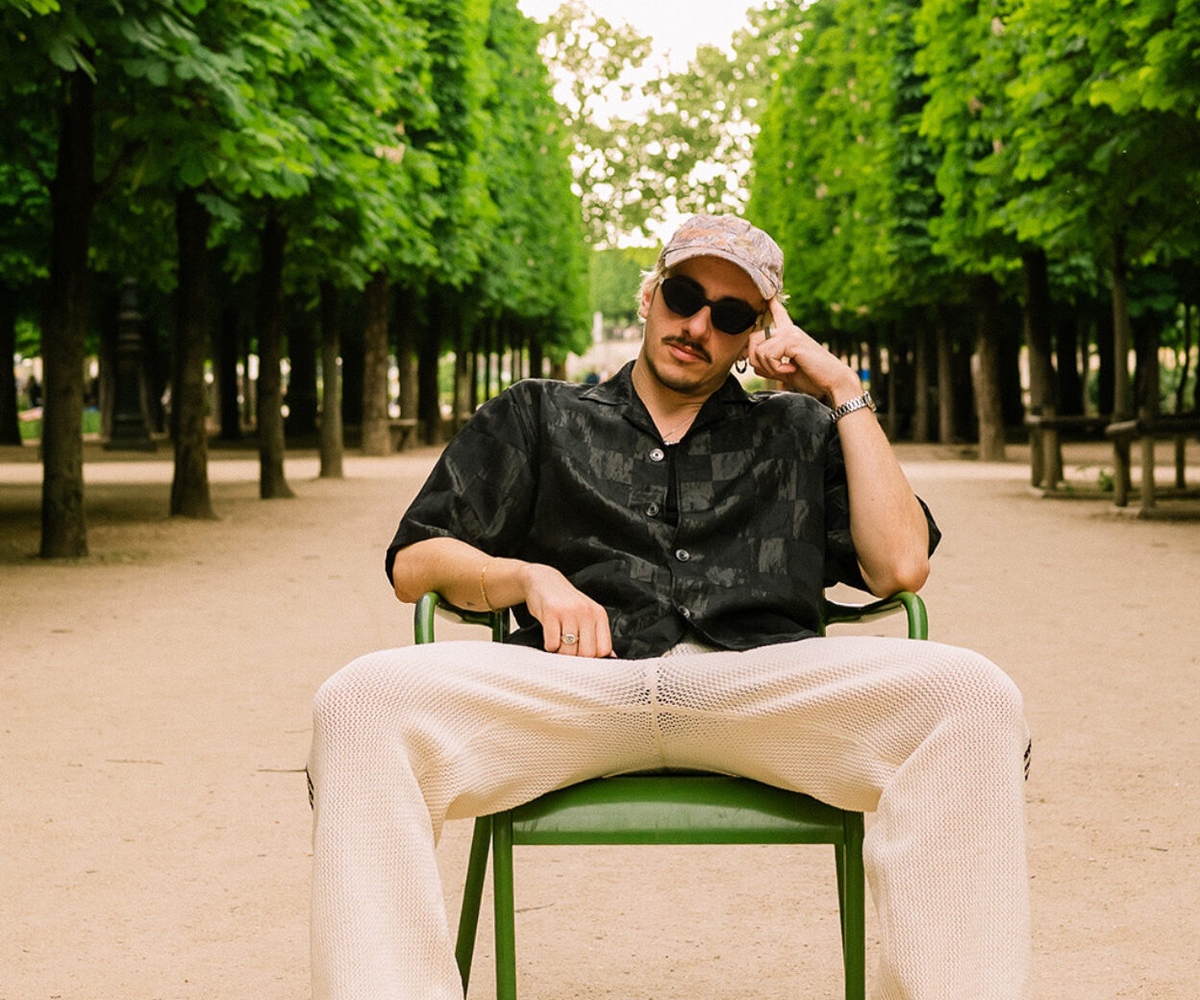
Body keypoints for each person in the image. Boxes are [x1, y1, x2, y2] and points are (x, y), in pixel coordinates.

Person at [309, 214, 1031, 1000]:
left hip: (761, 689)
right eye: (685, 296)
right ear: (651, 294)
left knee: (974, 694)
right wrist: (528, 577)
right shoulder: (540, 414)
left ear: (756, 334)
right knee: (359, 699)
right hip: (576, 687)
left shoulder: (798, 428)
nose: (698, 326)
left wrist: (841, 391)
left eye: (731, 314)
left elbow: (900, 566)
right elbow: (415, 561)